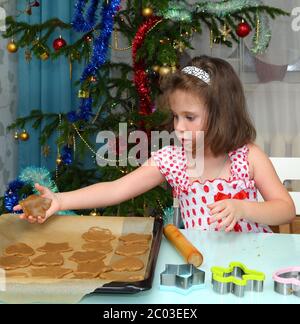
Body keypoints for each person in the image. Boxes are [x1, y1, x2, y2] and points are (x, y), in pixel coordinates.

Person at [13, 56, 295, 232]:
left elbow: (285, 209)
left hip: (254, 260)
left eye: (190, 117)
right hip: (202, 261)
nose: (179, 127)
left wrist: (244, 208)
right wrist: (60, 200)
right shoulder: (172, 160)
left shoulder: (250, 156)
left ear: (223, 115)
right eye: (175, 116)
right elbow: (115, 189)